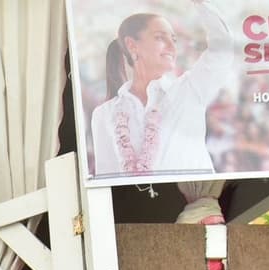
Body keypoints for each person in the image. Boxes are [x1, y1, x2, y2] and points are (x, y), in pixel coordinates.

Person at [90, 0, 234, 179]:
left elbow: (222, 50)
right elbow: (107, 179)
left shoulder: (190, 90)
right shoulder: (104, 114)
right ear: (132, 45)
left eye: (173, 39)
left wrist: (201, 3)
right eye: (160, 37)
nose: (172, 47)